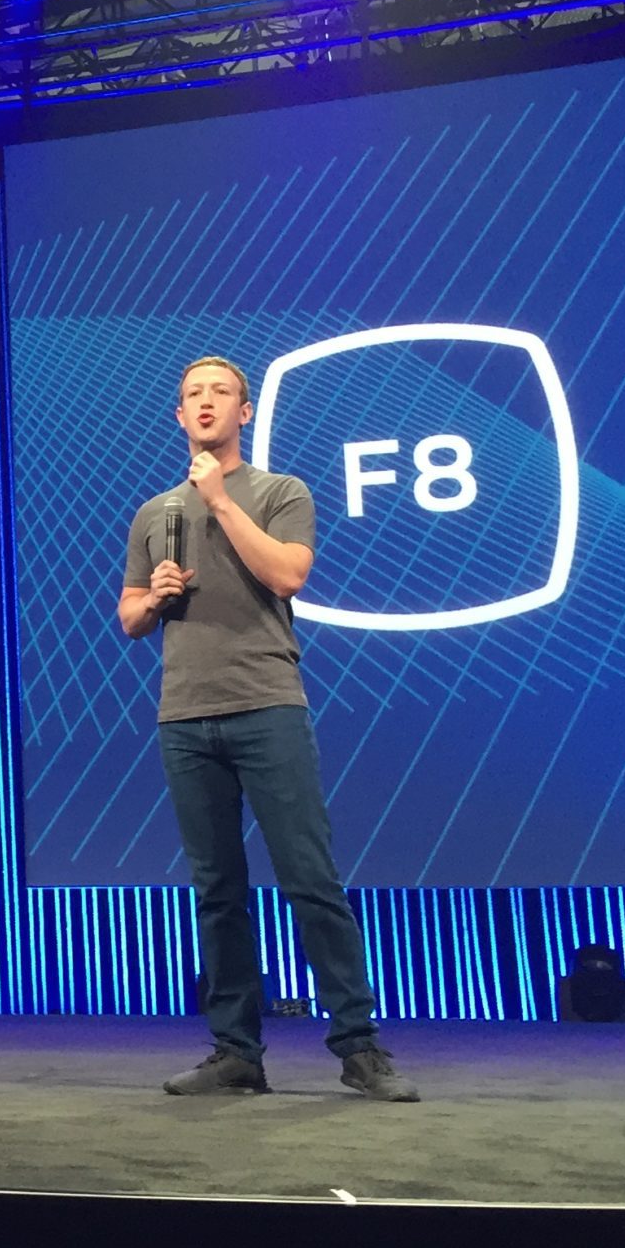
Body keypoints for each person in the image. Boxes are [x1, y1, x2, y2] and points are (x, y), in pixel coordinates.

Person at [119, 355, 420, 1103]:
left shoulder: (281, 492)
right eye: (194, 394)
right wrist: (154, 598)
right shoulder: (154, 513)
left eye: (221, 392)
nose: (207, 402)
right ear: (179, 416)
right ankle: (236, 1052)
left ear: (244, 412)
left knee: (309, 879)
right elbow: (128, 616)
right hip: (185, 716)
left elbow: (288, 575)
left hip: (266, 704)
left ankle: (358, 1046)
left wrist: (220, 501)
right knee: (217, 891)